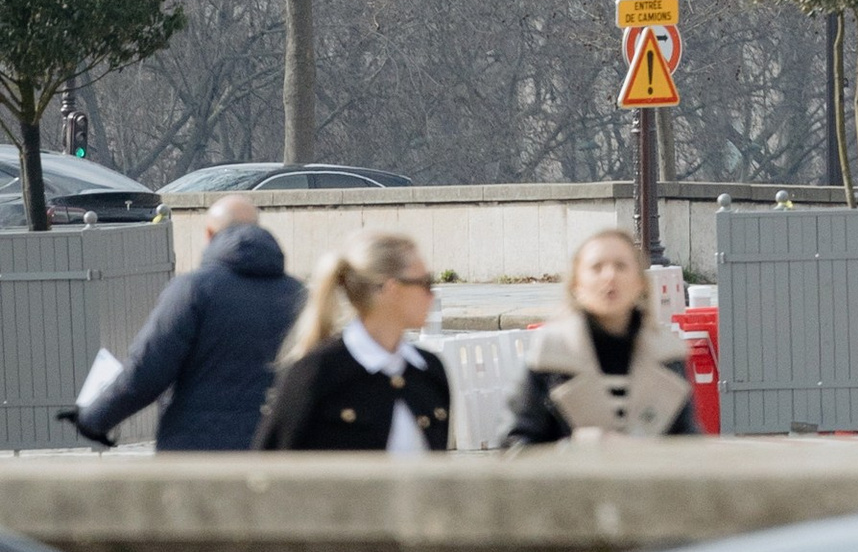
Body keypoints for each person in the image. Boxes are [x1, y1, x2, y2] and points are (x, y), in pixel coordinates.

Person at [74, 193, 303, 452]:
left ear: (208, 234)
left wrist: (93, 419)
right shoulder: (299, 294)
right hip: (276, 449)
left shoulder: (193, 290)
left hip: (198, 452)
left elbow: (147, 370)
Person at [252, 232, 452, 453]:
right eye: (425, 283)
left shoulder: (429, 370)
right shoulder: (316, 372)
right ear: (391, 289)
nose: (431, 294)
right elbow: (270, 467)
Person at [500, 229, 697, 446]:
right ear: (576, 284)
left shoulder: (667, 355)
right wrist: (580, 448)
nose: (609, 276)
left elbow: (688, 447)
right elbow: (515, 445)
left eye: (621, 266)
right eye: (596, 268)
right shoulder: (548, 354)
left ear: (640, 283)